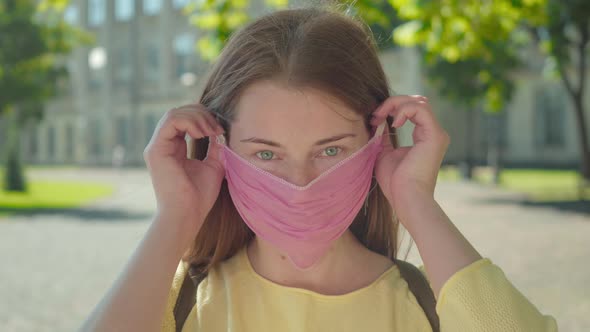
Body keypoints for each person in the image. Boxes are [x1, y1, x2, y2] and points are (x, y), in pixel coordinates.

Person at [81, 6, 558, 332]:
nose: (301, 186)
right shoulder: (183, 302)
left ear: (377, 143)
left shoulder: (428, 307)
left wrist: (415, 201)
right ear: (220, 151)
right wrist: (176, 218)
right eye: (266, 154)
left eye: (331, 151)